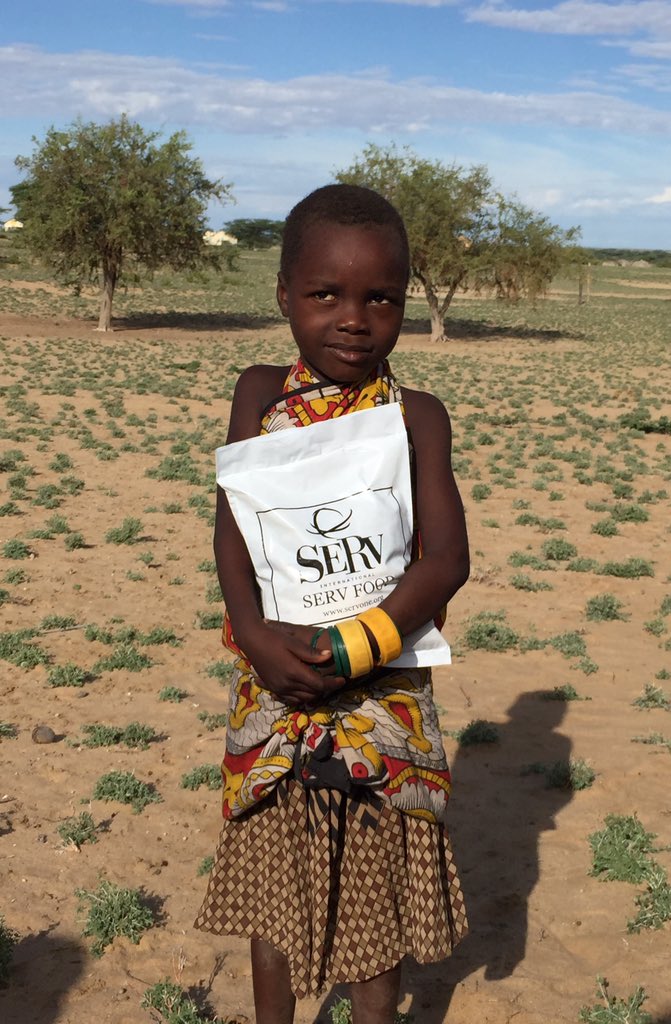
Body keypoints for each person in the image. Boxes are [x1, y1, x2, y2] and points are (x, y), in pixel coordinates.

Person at [195, 183, 470, 1024]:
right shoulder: (260, 397)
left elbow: (446, 560)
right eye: (326, 295)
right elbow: (233, 527)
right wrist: (252, 632)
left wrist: (355, 649)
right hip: (274, 679)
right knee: (275, 877)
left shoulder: (415, 417)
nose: (354, 318)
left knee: (374, 888)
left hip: (380, 688)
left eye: (380, 298)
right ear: (284, 294)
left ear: (402, 305)